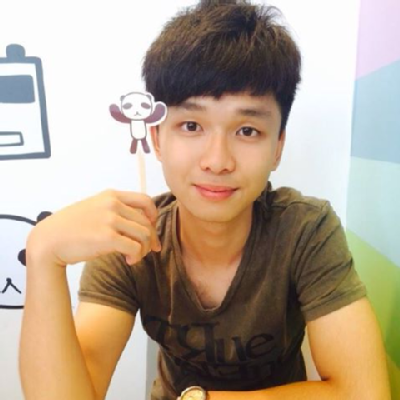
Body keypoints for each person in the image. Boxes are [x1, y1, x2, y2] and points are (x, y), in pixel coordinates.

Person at [19, 1, 391, 399]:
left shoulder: (305, 231)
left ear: (278, 146)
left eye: (247, 130)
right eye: (191, 125)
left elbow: (365, 393)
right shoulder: (130, 238)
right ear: (157, 138)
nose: (217, 161)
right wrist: (43, 256)